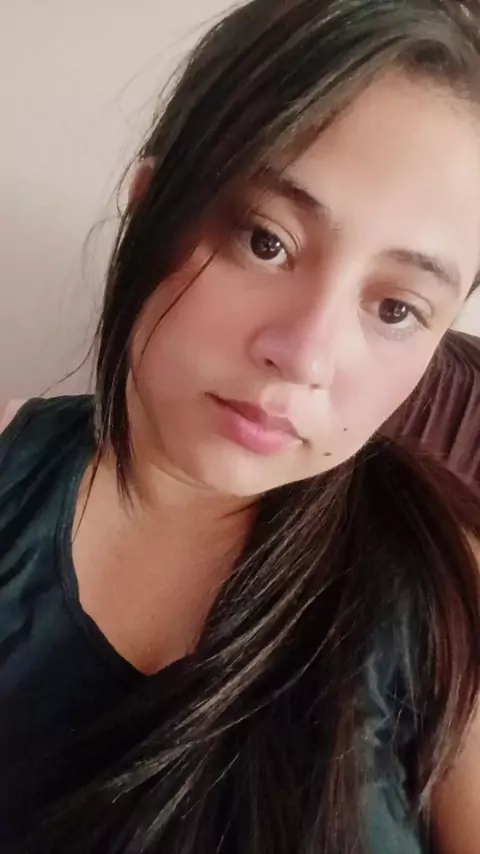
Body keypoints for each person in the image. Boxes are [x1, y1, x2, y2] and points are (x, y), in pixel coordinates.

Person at [2, 1, 480, 852]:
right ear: (150, 206)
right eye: (266, 241)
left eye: (396, 308)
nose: (305, 355)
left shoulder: (452, 591)